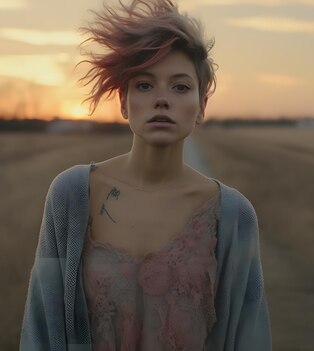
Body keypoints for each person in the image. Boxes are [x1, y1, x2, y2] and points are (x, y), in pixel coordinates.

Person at [20, 0, 271, 350]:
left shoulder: (232, 215)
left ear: (201, 108)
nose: (162, 100)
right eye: (144, 85)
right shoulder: (71, 196)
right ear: (123, 103)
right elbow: (41, 327)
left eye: (180, 87)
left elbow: (249, 336)